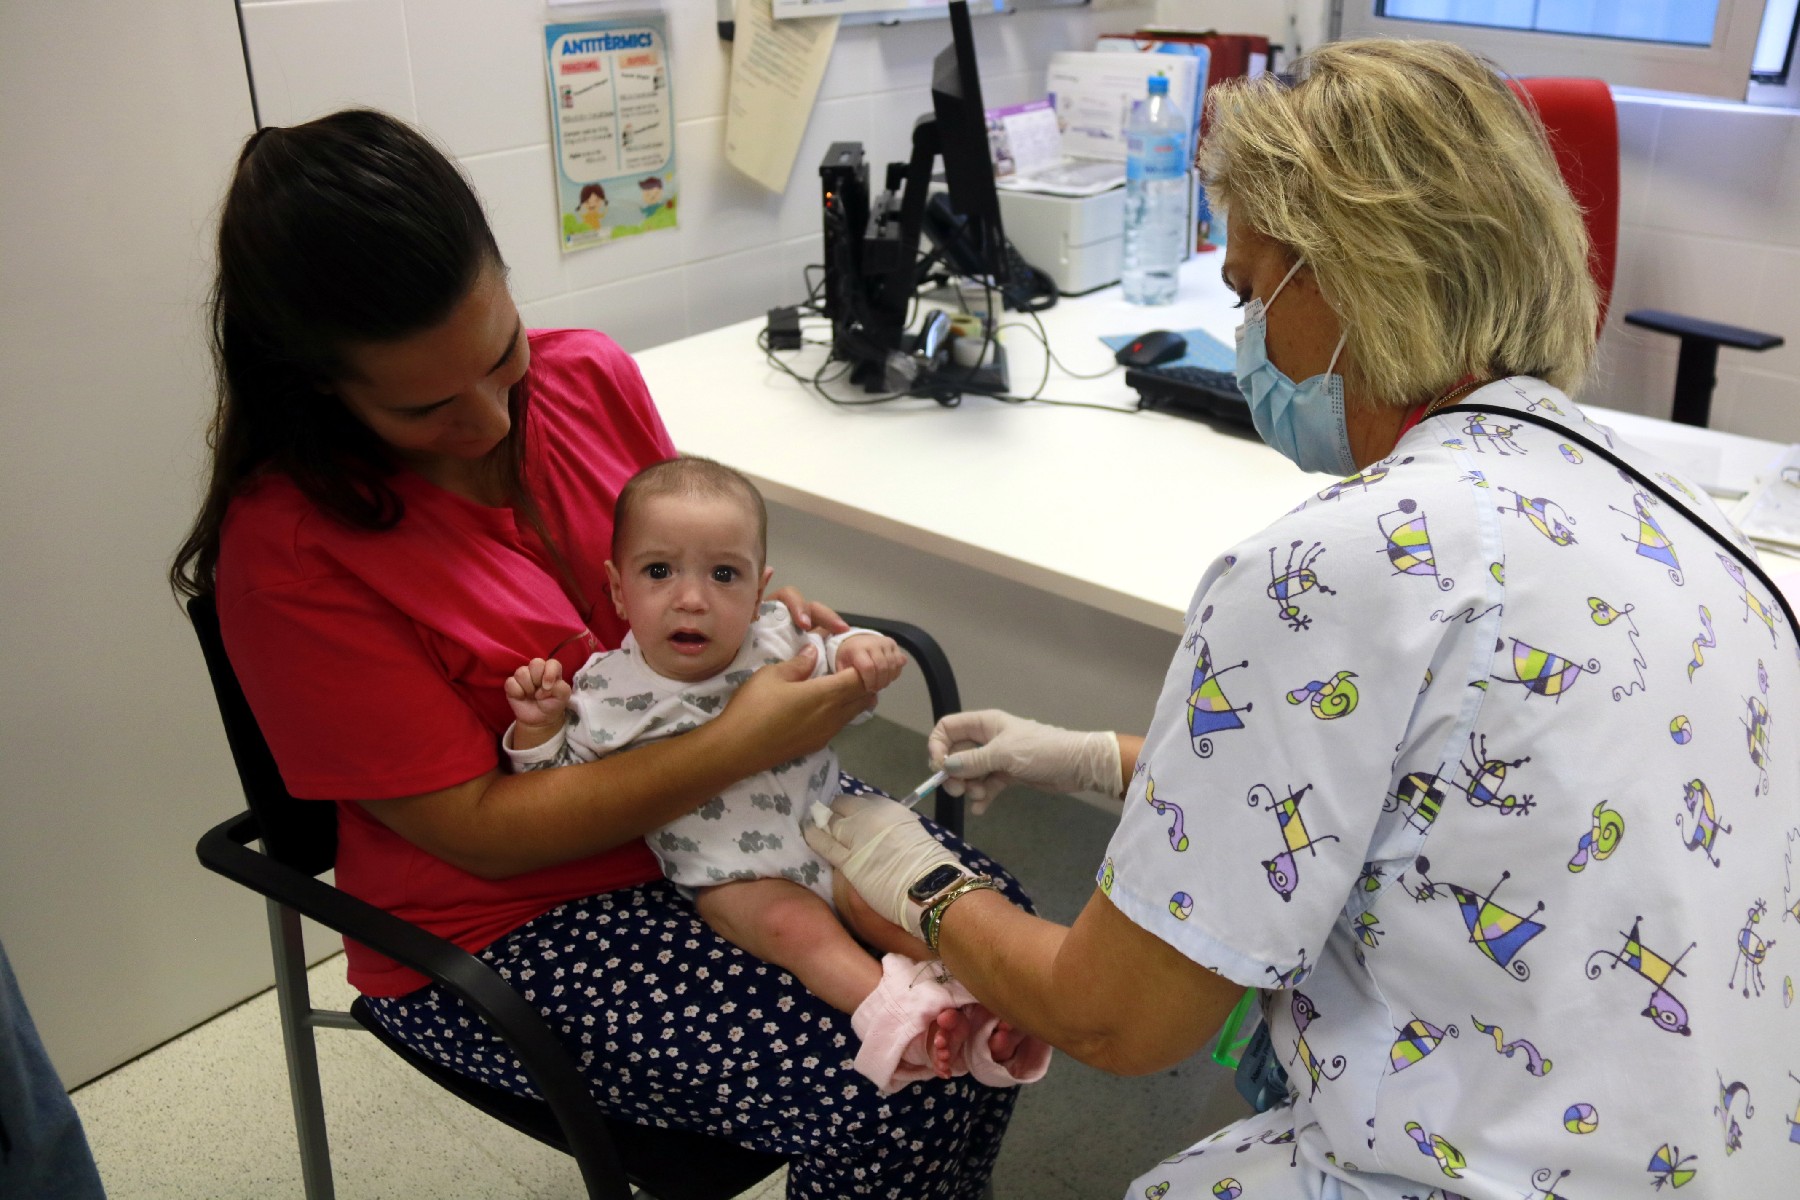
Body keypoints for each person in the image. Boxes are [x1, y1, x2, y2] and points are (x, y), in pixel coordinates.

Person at [804, 39, 1797, 1199]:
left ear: (1347, 278)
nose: (1246, 341)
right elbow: (1466, 791)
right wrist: (1098, 759)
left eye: (1247, 294)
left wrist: (915, 877)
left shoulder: (1332, 567)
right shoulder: (1699, 526)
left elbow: (1116, 1017)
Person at [169, 107, 1023, 1195]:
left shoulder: (586, 378)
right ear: (319, 388)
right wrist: (745, 737)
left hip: (723, 811)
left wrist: (763, 613)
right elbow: (481, 837)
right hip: (507, 919)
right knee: (892, 1084)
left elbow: (688, 562)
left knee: (998, 946)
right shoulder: (292, 553)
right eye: (426, 407)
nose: (491, 419)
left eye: (502, 353)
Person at [501, 455, 1047, 1092]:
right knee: (799, 935)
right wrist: (539, 726)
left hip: (830, 821)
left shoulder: (776, 639)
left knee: (894, 904)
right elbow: (558, 792)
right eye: (658, 571)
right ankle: (911, 1020)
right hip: (732, 875)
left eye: (723, 574)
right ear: (619, 589)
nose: (691, 599)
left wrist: (858, 648)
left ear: (759, 590)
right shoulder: (601, 692)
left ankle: (984, 999)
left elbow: (836, 658)